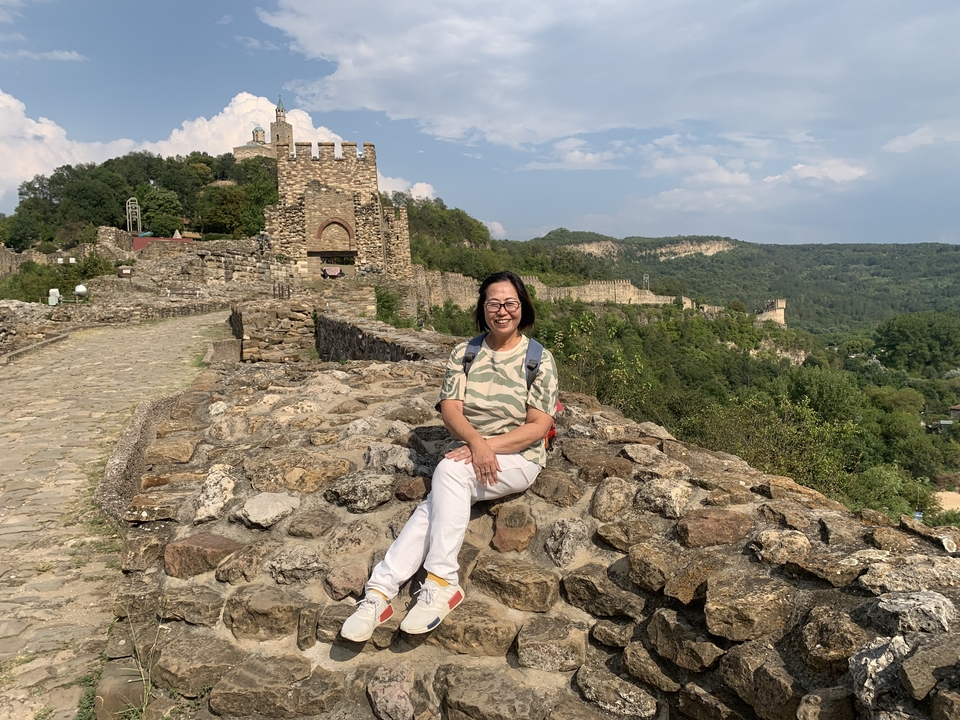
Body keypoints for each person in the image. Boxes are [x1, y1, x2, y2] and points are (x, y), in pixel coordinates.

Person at [341, 270, 560, 641]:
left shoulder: (538, 358)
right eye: (494, 303)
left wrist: (486, 447)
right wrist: (477, 443)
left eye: (510, 303)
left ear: (523, 307)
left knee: (449, 474)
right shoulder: (466, 352)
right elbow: (450, 409)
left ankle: (440, 581)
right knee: (439, 501)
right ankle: (379, 593)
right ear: (482, 308)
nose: (502, 311)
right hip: (471, 450)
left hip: (519, 458)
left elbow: (538, 426)